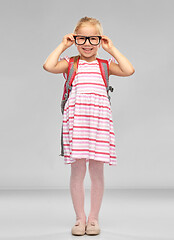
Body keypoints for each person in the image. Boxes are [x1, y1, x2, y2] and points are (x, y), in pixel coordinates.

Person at [43, 16, 135, 236]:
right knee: (77, 171)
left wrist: (111, 49)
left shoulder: (105, 65)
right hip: (77, 123)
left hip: (99, 124)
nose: (87, 43)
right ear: (75, 39)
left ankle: (93, 218)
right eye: (81, 38)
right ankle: (79, 218)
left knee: (97, 171)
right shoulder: (71, 63)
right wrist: (63, 45)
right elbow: (48, 65)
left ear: (99, 40)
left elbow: (129, 69)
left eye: (92, 39)